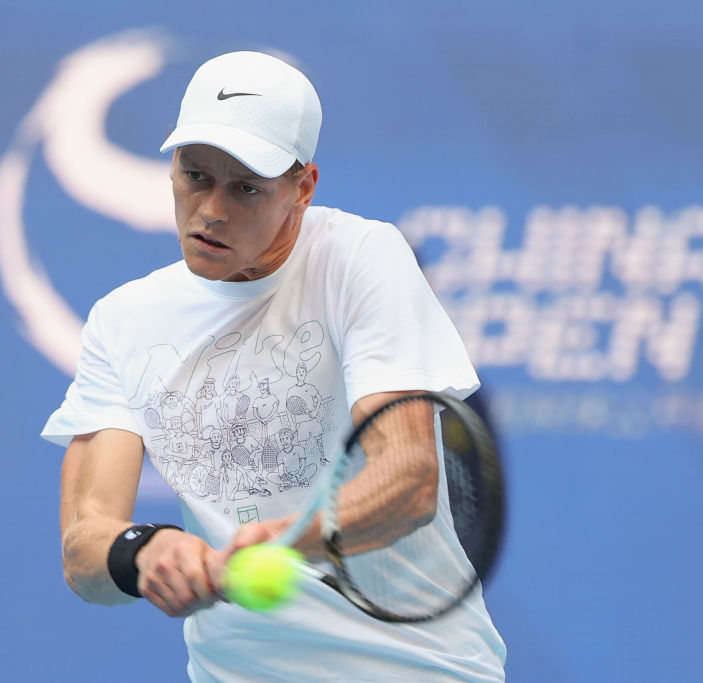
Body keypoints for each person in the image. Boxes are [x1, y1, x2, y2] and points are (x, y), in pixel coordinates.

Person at [42, 50, 506, 681]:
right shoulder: (122, 320)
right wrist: (146, 552)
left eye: (246, 188)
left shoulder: (360, 257)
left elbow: (409, 478)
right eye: (195, 175)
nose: (211, 209)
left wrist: (289, 539)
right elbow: (84, 551)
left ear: (303, 189)